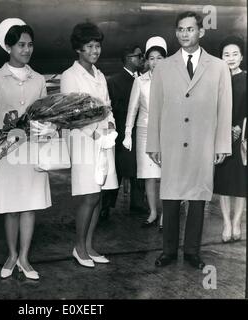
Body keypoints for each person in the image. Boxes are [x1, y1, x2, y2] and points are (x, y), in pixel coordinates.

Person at [146, 11, 232, 269]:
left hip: (202, 143)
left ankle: (193, 252)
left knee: (198, 199)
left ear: (201, 32)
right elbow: (155, 108)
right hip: (172, 142)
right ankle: (169, 251)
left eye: (190, 29)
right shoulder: (163, 67)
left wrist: (221, 145)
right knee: (170, 197)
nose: (185, 34)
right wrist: (153, 144)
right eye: (181, 29)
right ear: (176, 33)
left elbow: (224, 109)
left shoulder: (218, 67)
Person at [0, 18, 55, 280]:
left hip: (33, 151)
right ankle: (11, 254)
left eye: (30, 45)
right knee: (11, 207)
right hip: (7, 154)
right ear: (9, 47)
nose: (27, 50)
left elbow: (46, 116)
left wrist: (47, 133)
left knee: (30, 206)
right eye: (21, 45)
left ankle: (24, 257)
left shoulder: (38, 79)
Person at [60, 22, 118, 268]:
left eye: (98, 46)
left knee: (100, 196)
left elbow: (107, 106)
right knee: (89, 196)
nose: (95, 51)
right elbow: (72, 114)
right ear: (79, 49)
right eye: (90, 47)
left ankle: (90, 245)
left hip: (105, 140)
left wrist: (112, 126)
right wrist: (96, 133)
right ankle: (79, 247)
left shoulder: (100, 74)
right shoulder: (69, 76)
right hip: (84, 141)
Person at [123, 36, 167, 230]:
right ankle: (153, 212)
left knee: (167, 175)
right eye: (151, 58)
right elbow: (132, 109)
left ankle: (166, 214)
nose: (155, 62)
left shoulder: (173, 81)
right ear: (147, 61)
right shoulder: (140, 81)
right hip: (144, 132)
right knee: (149, 175)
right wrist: (127, 133)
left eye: (159, 58)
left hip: (167, 132)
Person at [100, 44, 147, 220]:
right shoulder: (114, 81)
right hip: (121, 134)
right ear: (129, 58)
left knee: (138, 169)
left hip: (138, 133)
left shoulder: (142, 79)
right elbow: (112, 108)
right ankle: (105, 206)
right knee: (116, 171)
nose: (142, 59)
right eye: (139, 56)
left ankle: (137, 203)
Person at [214, 36, 247, 243]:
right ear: (221, 58)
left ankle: (237, 223)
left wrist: (239, 127)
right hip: (222, 138)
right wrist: (224, 129)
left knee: (241, 183)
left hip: (243, 137)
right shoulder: (217, 79)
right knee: (224, 183)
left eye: (235, 54)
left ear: (242, 56)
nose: (231, 58)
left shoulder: (247, 78)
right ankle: (226, 222)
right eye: (227, 54)